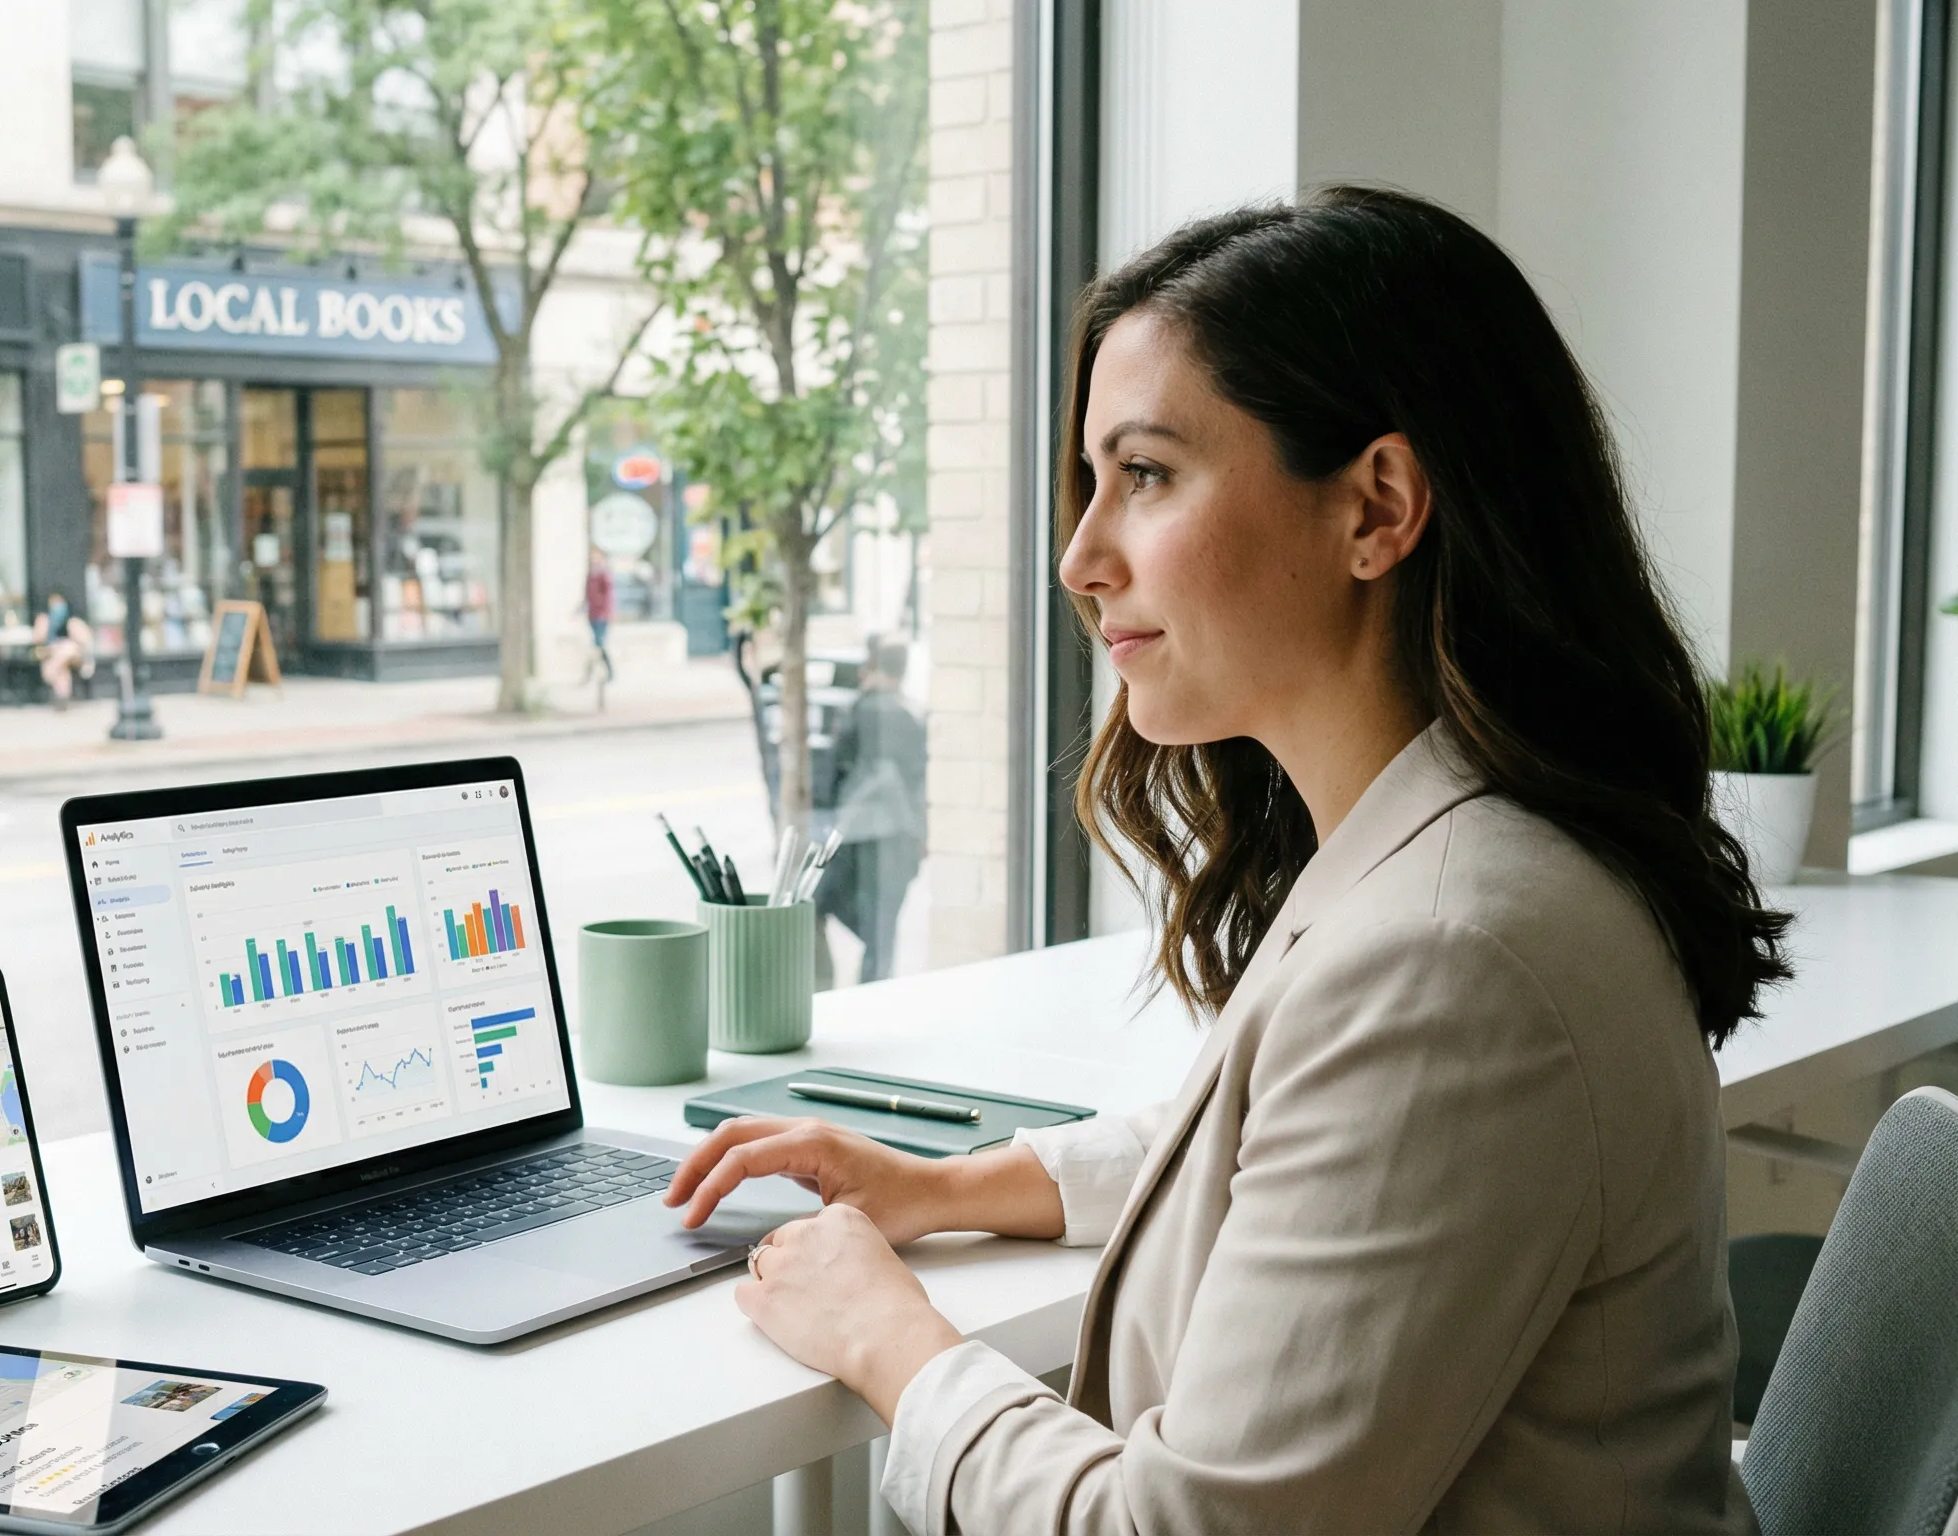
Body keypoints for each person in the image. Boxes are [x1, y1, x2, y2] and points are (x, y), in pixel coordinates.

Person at [662, 187, 1786, 1534]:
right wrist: (952, 1189)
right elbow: (1302, 1167)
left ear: (1377, 508)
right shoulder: (1457, 856)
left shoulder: (1454, 955)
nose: (1082, 558)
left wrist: (891, 1343)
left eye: (1144, 477)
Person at [814, 635, 927, 982]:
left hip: (853, 834)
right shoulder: (913, 716)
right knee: (881, 933)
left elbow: (830, 777)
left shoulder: (860, 711)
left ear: (870, 668)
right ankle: (871, 996)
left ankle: (825, 987)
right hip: (899, 837)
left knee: (814, 908)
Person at [32, 591, 94, 709]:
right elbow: (37, 639)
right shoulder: (46, 620)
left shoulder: (73, 621)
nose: (56, 607)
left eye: (59, 602)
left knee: (67, 648)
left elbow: (85, 642)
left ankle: (51, 673)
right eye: (53, 603)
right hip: (55, 655)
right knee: (62, 668)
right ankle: (62, 696)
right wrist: (44, 624)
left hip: (75, 656)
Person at [583, 547, 616, 686]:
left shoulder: (604, 575)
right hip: (592, 614)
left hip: (602, 615)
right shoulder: (590, 575)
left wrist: (609, 612)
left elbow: (609, 595)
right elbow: (586, 596)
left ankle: (591, 673)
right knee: (598, 645)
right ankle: (605, 672)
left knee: (598, 644)